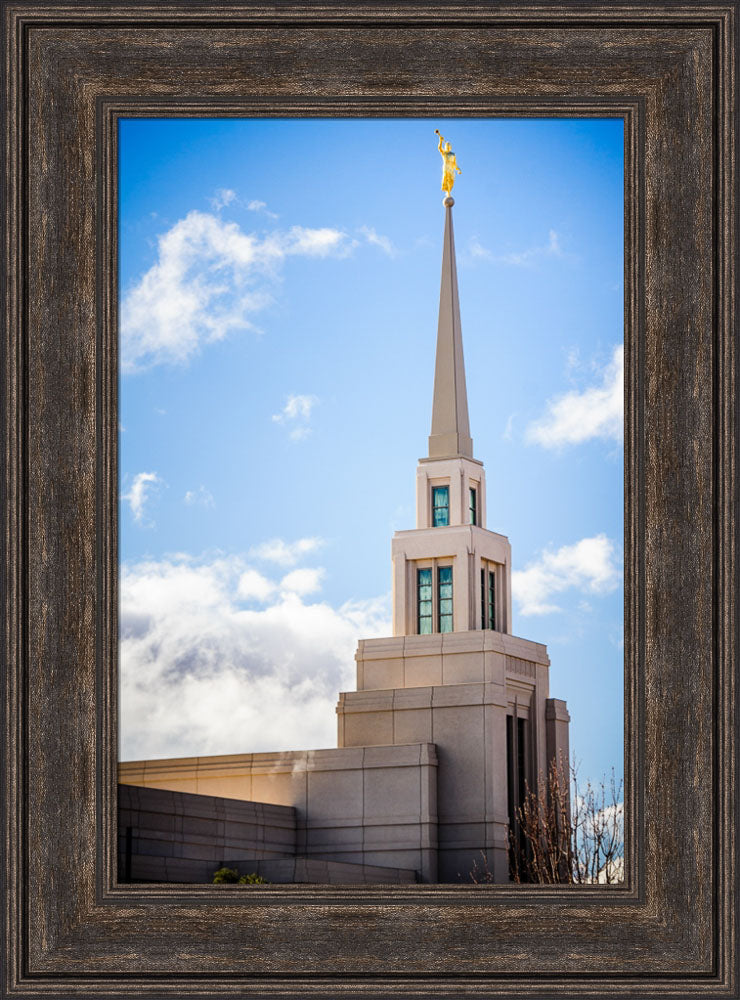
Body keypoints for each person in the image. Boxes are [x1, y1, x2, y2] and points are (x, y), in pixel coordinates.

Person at [435, 130, 461, 196]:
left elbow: (454, 164)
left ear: (450, 147)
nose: (448, 147)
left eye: (449, 146)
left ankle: (449, 192)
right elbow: (439, 148)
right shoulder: (444, 153)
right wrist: (440, 141)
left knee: (452, 181)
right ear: (445, 147)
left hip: (451, 169)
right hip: (446, 168)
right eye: (447, 146)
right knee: (447, 180)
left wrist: (458, 169)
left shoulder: (453, 154)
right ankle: (448, 192)